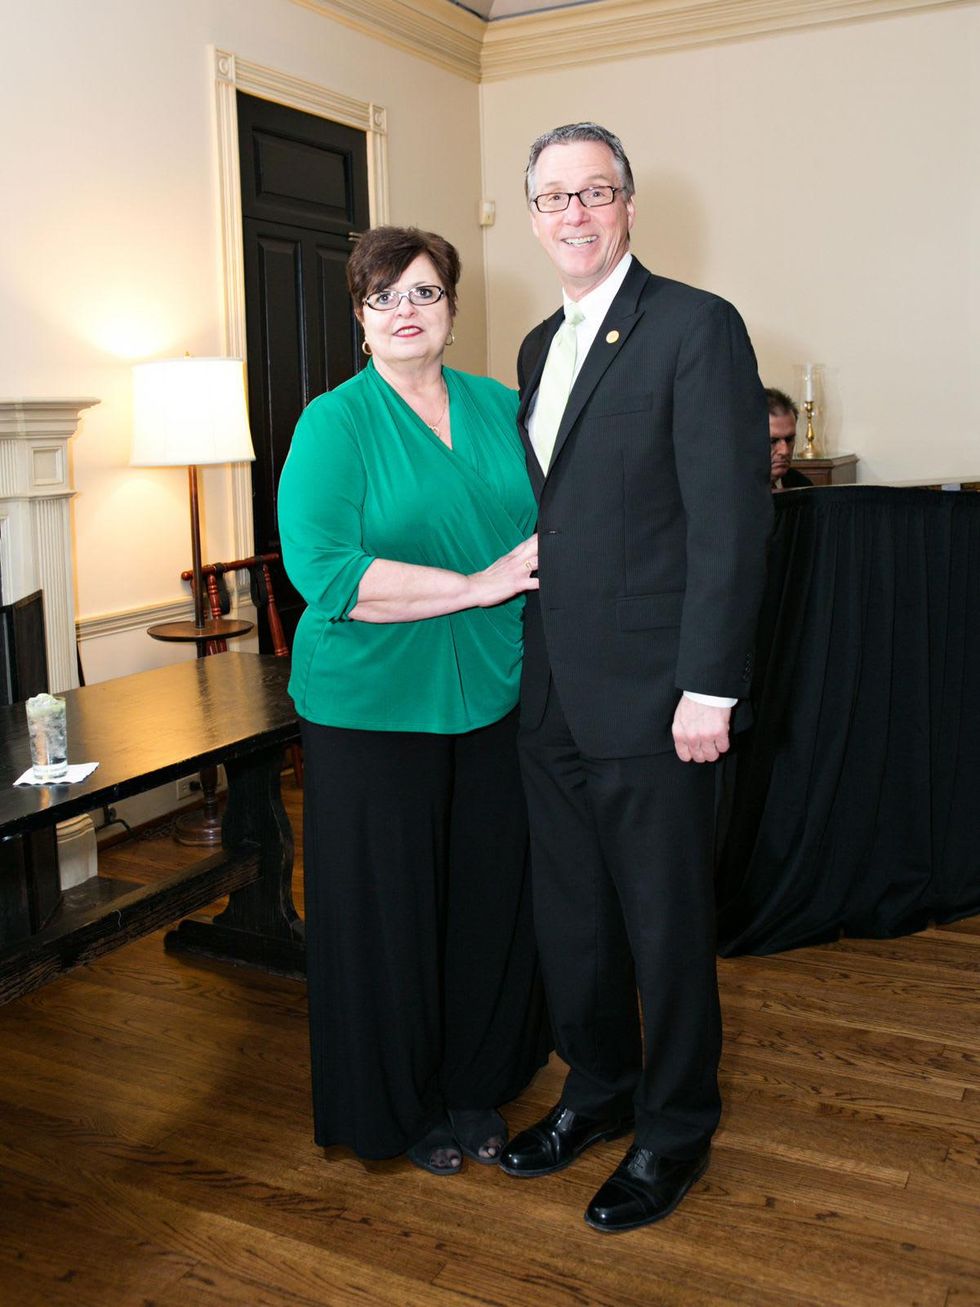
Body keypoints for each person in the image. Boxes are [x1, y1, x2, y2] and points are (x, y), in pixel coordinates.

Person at [498, 123, 773, 1231]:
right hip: (553, 686)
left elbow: (730, 520)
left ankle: (673, 1125)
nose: (573, 214)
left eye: (593, 192)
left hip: (659, 695)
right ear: (530, 217)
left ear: (625, 206)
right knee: (572, 918)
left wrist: (709, 682)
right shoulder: (529, 347)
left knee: (662, 924)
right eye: (552, 197)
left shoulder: (695, 326)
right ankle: (598, 1090)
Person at [278, 225, 549, 1177]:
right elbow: (327, 572)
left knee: (485, 898)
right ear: (359, 318)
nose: (405, 311)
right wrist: (478, 582)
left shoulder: (503, 408)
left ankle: (475, 1080)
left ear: (452, 309)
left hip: (496, 690)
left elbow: (555, 523)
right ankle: (395, 1104)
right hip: (369, 707)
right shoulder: (332, 424)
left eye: (424, 293)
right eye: (384, 296)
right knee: (387, 911)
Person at [767, 387, 813, 489]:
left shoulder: (802, 486)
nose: (785, 451)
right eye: (772, 441)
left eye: (789, 439)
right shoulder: (730, 493)